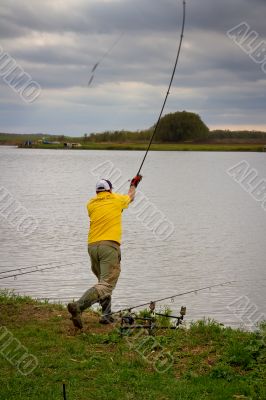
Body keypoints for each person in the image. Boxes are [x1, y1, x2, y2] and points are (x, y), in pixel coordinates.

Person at [67, 174, 142, 329]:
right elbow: (130, 197)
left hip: (92, 247)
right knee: (106, 284)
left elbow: (104, 212)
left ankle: (106, 315)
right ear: (110, 190)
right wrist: (134, 184)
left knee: (103, 282)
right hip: (109, 246)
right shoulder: (116, 199)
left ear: (97, 192)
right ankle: (78, 307)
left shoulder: (91, 204)